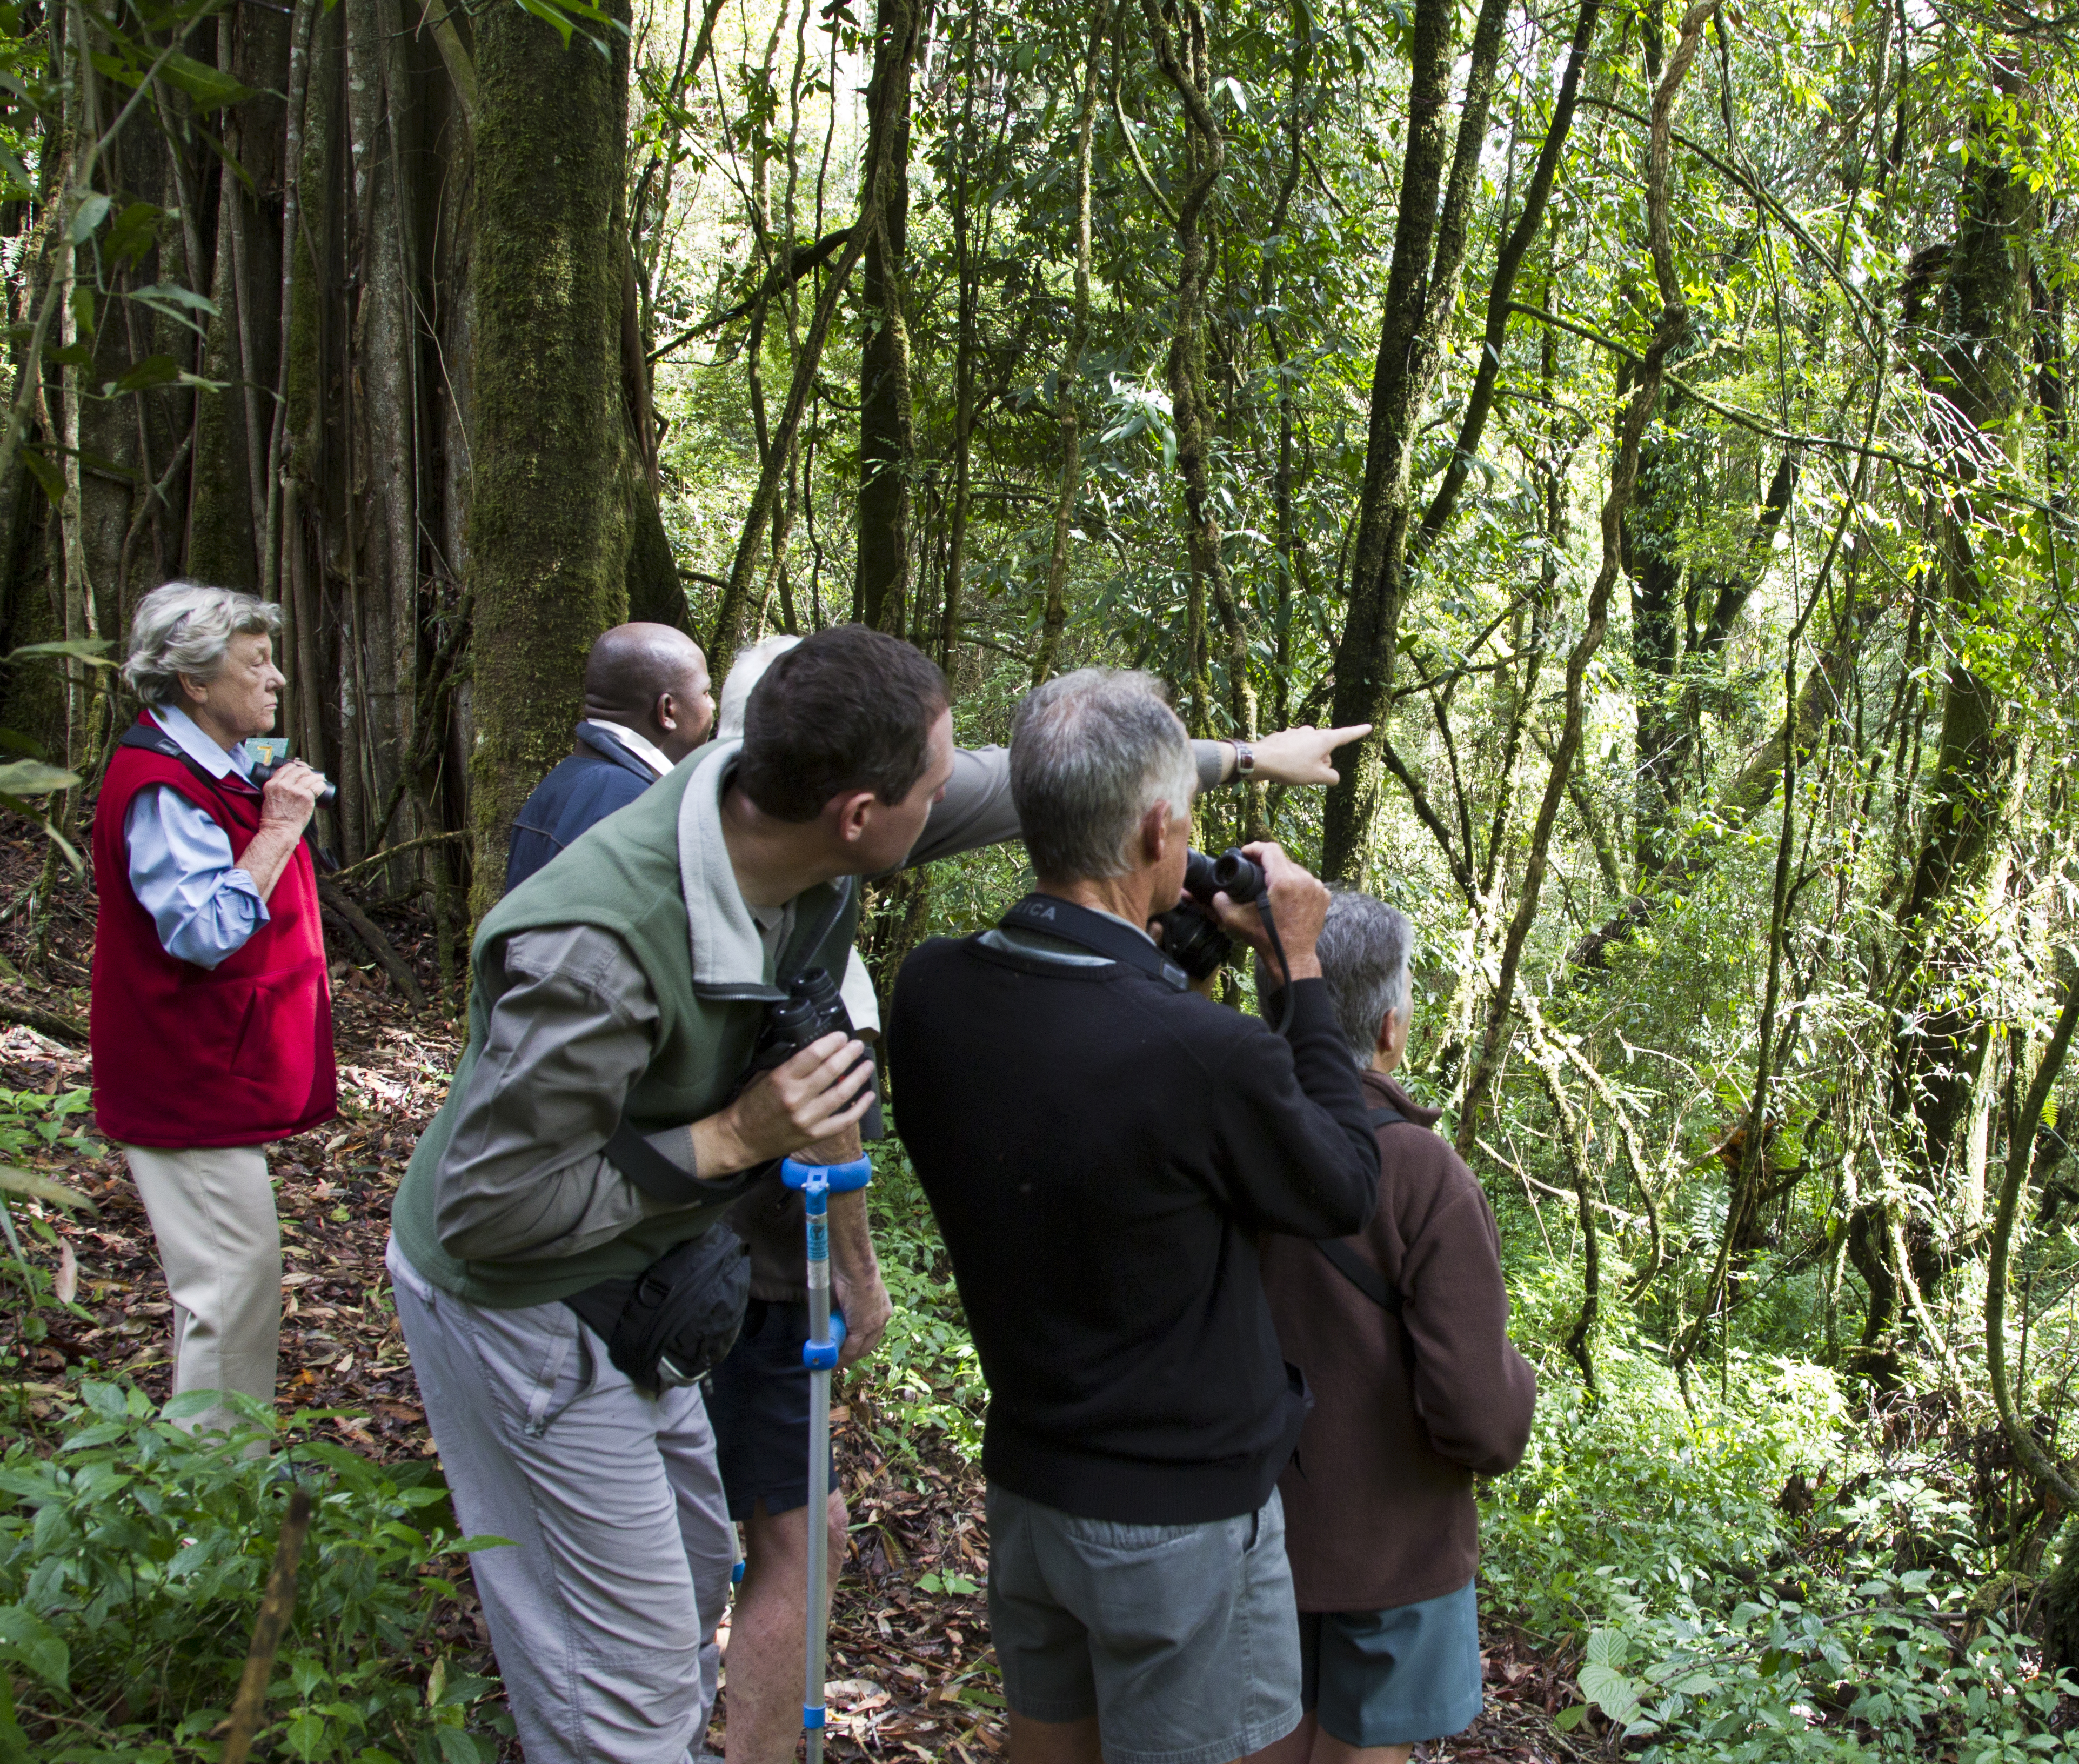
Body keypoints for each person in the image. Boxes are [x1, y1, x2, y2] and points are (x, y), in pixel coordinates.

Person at [387, 627, 1362, 1764]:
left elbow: (1043, 784)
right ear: (861, 814)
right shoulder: (593, 948)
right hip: (519, 1294)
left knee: (700, 1577)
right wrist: (735, 1134)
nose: (965, 792)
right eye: (940, 779)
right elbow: (489, 1210)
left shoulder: (808, 828)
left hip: (642, 1277)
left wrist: (1245, 758)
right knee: (630, 1679)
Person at [886, 669, 1383, 1764]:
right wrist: (1299, 961)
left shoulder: (929, 993)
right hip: (1180, 1518)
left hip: (1030, 1477)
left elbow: (1079, 1066)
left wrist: (1163, 968)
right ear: (1161, 827)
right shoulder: (1205, 1056)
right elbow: (1343, 1184)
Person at [1251, 892, 1535, 1764]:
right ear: (1389, 1028)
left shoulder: (1220, 1141)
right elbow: (1479, 1413)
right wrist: (1518, 1378)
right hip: (1395, 1554)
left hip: (1242, 1538)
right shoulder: (1420, 1170)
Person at [91, 580, 335, 1410]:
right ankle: (211, 1516)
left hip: (211, 1069)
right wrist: (276, 830)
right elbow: (201, 932)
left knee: (239, 1285)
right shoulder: (162, 786)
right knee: (229, 1292)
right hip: (182, 1079)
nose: (276, 681)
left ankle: (218, 1491)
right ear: (195, 683)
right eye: (256, 665)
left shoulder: (210, 763)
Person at [503, 620, 718, 891]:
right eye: (706, 693)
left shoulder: (555, 786)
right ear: (668, 711)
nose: (712, 705)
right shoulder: (641, 809)